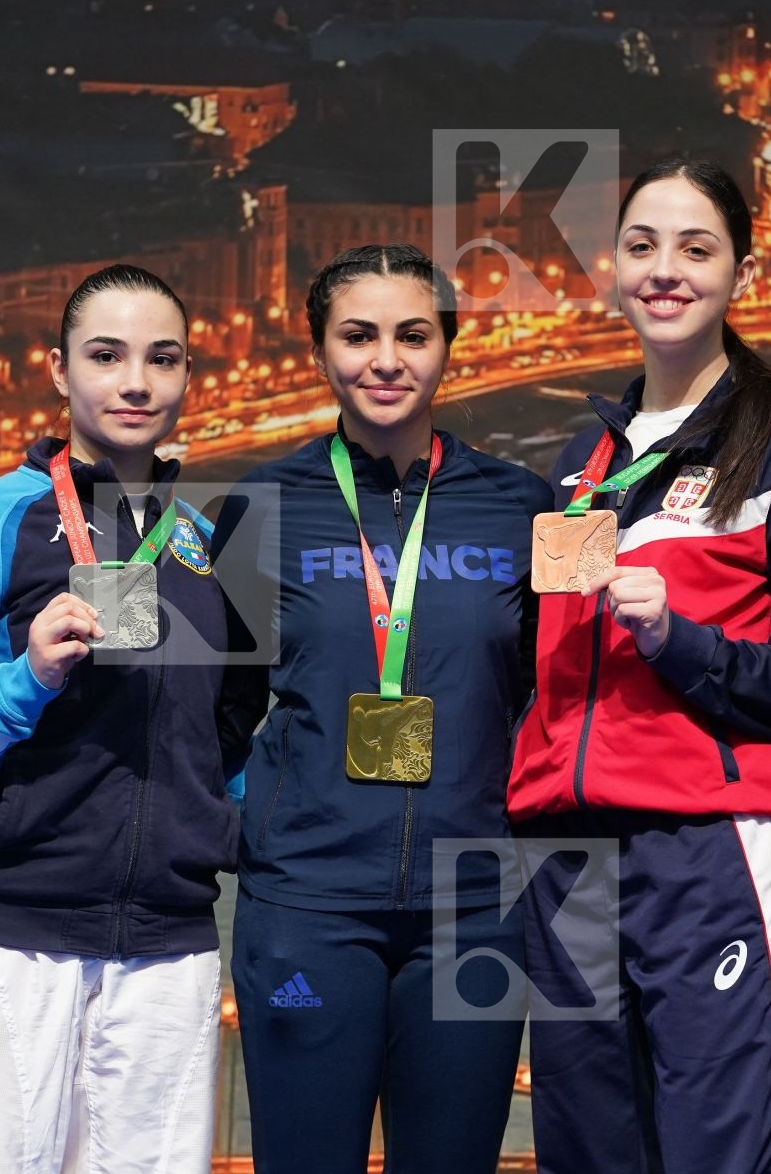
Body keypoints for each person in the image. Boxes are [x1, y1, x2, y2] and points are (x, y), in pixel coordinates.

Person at [0, 264, 239, 1173]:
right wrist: (20, 680)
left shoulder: (205, 551)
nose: (135, 381)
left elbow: (218, 755)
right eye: (105, 356)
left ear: (189, 377)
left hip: (166, 959)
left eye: (162, 358)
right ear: (60, 372)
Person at [507, 157, 771, 1173]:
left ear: (739, 271)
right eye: (644, 246)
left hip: (706, 852)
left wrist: (678, 640)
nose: (666, 271)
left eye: (695, 249)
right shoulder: (581, 461)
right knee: (588, 1150)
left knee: (719, 1150)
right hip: (567, 858)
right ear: (613, 267)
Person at [213, 243, 553, 1174]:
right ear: (321, 351)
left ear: (449, 346)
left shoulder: (523, 506)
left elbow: (559, 694)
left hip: (474, 906)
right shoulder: (262, 505)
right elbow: (224, 709)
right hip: (307, 906)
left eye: (413, 334)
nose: (386, 360)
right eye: (357, 336)